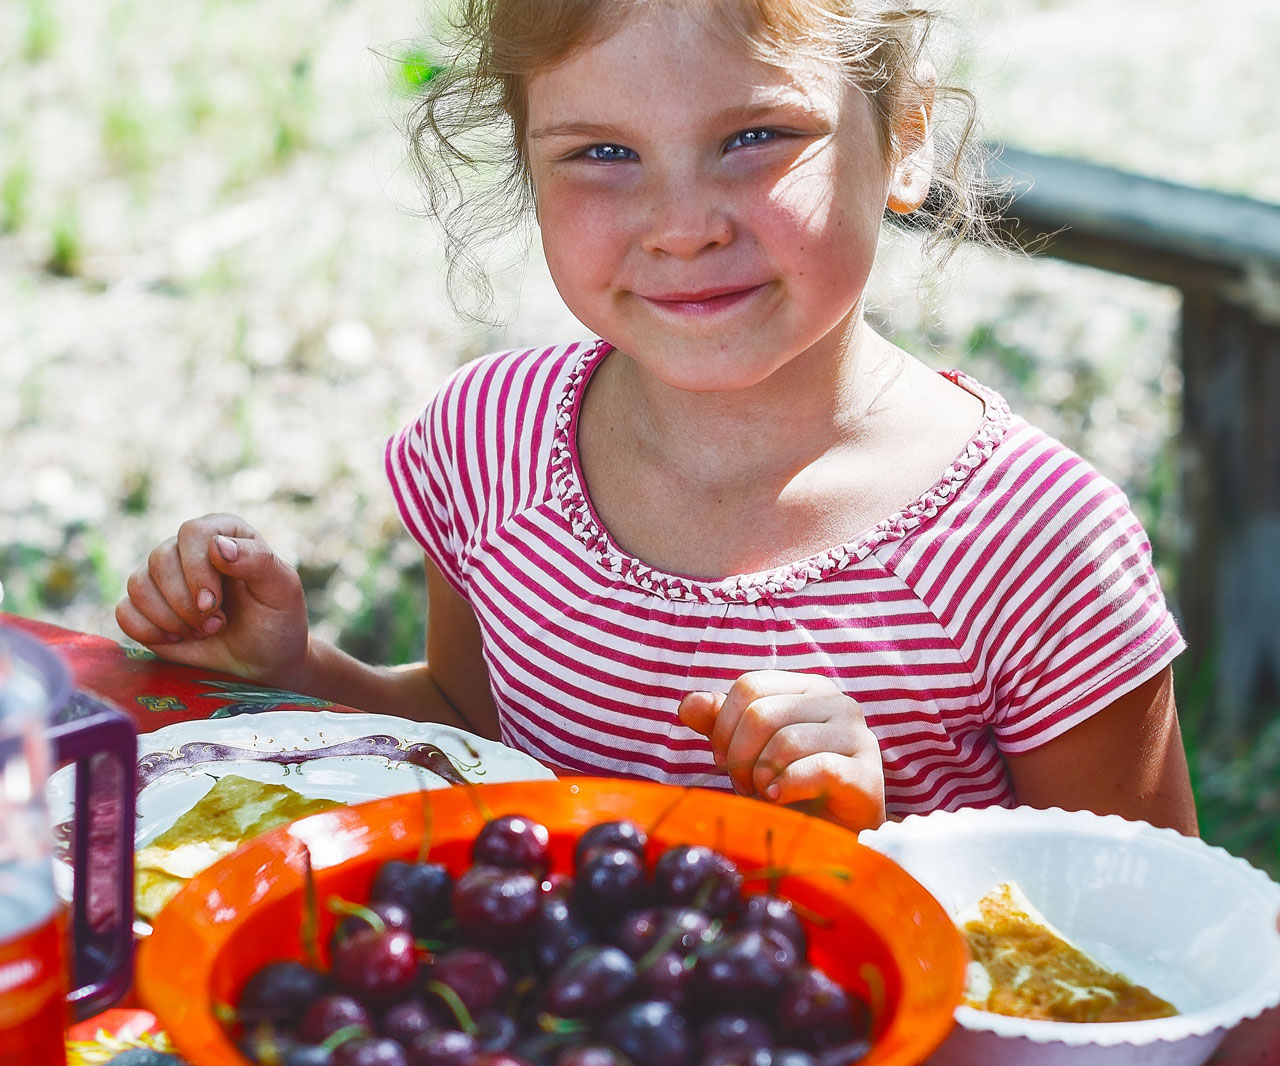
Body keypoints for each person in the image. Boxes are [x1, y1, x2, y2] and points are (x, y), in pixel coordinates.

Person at [115, 0, 1198, 837]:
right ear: (526, 160)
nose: (680, 227)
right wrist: (294, 671)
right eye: (602, 152)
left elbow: (1135, 938)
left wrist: (870, 846)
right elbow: (472, 730)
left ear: (902, 137)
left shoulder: (1036, 542)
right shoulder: (488, 443)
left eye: (756, 136)